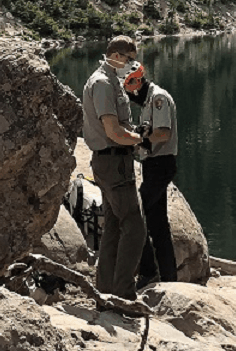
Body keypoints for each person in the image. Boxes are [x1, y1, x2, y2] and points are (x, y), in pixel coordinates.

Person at [82, 36, 145, 301]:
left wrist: (135, 132)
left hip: (111, 162)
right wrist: (141, 140)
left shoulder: (109, 81)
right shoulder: (103, 84)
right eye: (130, 59)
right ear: (117, 56)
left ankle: (106, 290)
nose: (132, 66)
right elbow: (112, 131)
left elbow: (120, 126)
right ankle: (123, 293)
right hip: (113, 163)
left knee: (115, 227)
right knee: (135, 227)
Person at [122, 62, 179, 289]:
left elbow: (163, 134)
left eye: (131, 90)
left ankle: (149, 272)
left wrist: (141, 139)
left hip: (160, 164)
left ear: (138, 83)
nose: (131, 96)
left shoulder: (158, 99)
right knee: (158, 225)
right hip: (152, 164)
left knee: (137, 214)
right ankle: (169, 278)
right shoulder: (148, 102)